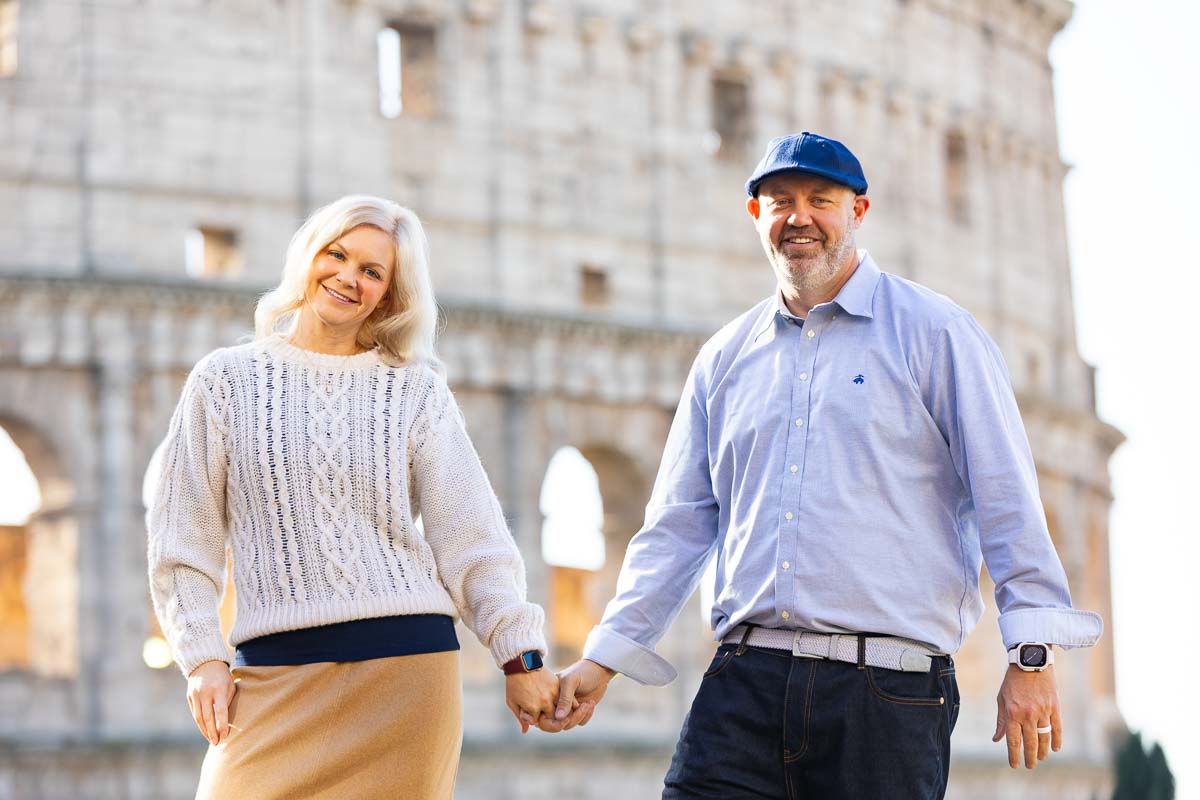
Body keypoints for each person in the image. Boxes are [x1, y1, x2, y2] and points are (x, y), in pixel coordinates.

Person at [543, 133, 1103, 799]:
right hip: (742, 683)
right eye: (780, 202)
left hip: (887, 696)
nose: (798, 217)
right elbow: (678, 527)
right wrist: (605, 657)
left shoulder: (936, 333)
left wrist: (1032, 657)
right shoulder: (724, 360)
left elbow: (1006, 495)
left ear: (858, 211)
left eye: (820, 200)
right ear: (757, 217)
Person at [147, 195, 559, 799]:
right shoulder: (223, 381)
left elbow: (470, 537)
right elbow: (184, 536)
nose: (347, 277)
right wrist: (203, 657)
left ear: (391, 295)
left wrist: (518, 656)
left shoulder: (415, 391)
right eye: (336, 255)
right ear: (307, 256)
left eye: (372, 271)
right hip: (272, 672)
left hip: (406, 672)